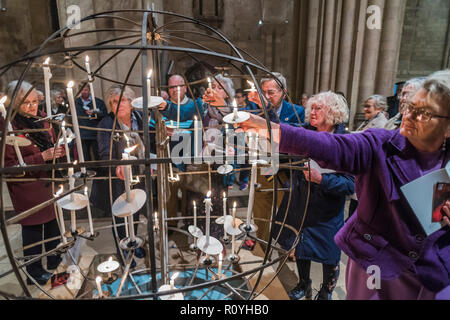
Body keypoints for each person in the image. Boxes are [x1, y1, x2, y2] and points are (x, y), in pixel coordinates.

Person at [238, 70, 450, 300]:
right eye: (410, 106)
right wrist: (271, 130)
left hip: (431, 269)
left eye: (423, 113)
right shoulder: (382, 143)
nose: (408, 115)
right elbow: (331, 145)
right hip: (379, 260)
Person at [274, 92, 355, 300]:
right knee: (302, 247)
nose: (312, 112)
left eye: (318, 108)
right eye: (312, 107)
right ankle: (304, 284)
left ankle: (326, 291)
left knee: (329, 254)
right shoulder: (305, 134)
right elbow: (279, 134)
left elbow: (350, 184)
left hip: (327, 210)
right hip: (302, 203)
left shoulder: (344, 142)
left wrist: (322, 180)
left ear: (333, 112)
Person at [2, 81, 65, 285]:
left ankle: (57, 263)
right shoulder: (7, 126)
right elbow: (9, 166)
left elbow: (48, 140)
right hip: (27, 188)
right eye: (26, 103)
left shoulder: (39, 119)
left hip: (47, 184)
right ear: (14, 104)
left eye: (35, 101)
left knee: (53, 228)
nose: (33, 107)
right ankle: (35, 273)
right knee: (34, 233)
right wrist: (43, 156)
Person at [92, 85, 152, 267]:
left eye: (122, 100)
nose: (117, 105)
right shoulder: (106, 123)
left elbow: (150, 143)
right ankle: (123, 252)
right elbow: (103, 153)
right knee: (120, 217)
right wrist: (117, 164)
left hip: (139, 176)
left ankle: (132, 243)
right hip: (117, 180)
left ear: (131, 102)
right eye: (113, 102)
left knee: (135, 213)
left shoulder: (140, 118)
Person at [74, 85, 107, 162]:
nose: (84, 92)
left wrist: (94, 113)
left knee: (98, 153)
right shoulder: (76, 103)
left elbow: (105, 114)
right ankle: (87, 171)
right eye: (82, 90)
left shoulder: (98, 102)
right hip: (82, 132)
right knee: (84, 155)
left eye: (86, 90)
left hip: (95, 131)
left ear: (90, 91)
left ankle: (100, 170)